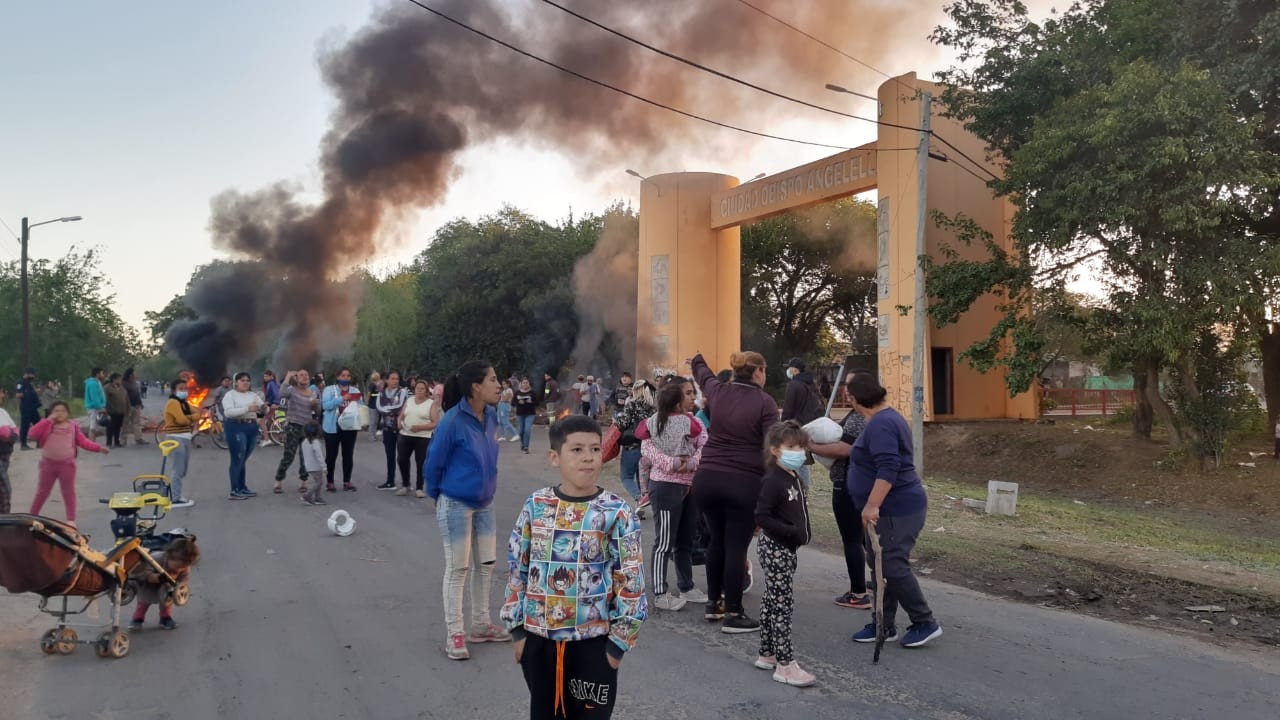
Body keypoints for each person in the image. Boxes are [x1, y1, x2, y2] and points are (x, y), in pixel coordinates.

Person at [501, 415, 648, 719]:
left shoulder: (616, 512)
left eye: (595, 449)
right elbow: (518, 568)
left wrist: (616, 646)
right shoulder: (536, 505)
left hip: (593, 647)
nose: (588, 458)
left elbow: (631, 580)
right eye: (577, 450)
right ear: (555, 457)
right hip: (539, 643)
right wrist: (517, 631)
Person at [846, 373, 942, 648]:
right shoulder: (881, 420)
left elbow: (889, 467)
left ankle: (924, 622)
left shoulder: (883, 424)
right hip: (889, 508)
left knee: (891, 565)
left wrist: (872, 504)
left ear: (854, 400)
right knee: (880, 565)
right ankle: (883, 625)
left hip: (896, 508)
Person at [423, 360, 507, 660]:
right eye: (494, 380)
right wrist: (437, 496)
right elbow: (434, 463)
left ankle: (481, 625)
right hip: (455, 502)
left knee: (485, 565)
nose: (500, 385)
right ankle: (455, 633)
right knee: (458, 569)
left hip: (485, 502)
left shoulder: (492, 416)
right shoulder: (452, 421)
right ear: (476, 386)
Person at [690, 351, 778, 633]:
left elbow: (702, 373)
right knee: (736, 546)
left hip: (706, 480)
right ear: (758, 372)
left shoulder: (717, 390)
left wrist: (697, 358)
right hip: (743, 482)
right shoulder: (765, 402)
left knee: (717, 540)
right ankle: (734, 613)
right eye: (765, 370)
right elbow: (772, 443)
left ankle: (714, 604)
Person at [753, 420, 817, 687]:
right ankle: (785, 663)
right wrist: (790, 531)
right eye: (791, 446)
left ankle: (767, 653)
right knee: (782, 606)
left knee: (772, 601)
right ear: (776, 449)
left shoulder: (794, 476)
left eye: (801, 446)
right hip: (776, 548)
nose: (798, 452)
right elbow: (761, 516)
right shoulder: (772, 480)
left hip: (786, 549)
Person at [638, 381, 708, 611]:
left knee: (686, 539)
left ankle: (686, 586)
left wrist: (692, 463)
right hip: (665, 487)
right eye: (688, 393)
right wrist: (673, 464)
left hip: (691, 487)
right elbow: (647, 449)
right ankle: (660, 592)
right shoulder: (653, 422)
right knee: (664, 542)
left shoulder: (695, 421)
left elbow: (704, 445)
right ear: (675, 400)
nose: (692, 397)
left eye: (693, 393)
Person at [808, 371, 873, 609]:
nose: (846, 389)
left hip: (848, 484)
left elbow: (844, 450)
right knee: (867, 537)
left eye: (849, 385)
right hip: (865, 483)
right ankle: (879, 579)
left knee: (852, 539)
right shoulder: (874, 415)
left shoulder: (859, 417)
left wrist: (811, 445)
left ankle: (857, 593)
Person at [27, 401, 110, 526]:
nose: (59, 413)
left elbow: (83, 442)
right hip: (47, 465)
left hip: (67, 465)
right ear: (50, 413)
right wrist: (48, 420)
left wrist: (98, 448)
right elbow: (32, 433)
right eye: (56, 411)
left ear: (68, 413)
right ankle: (32, 516)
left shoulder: (73, 426)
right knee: (42, 491)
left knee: (68, 492)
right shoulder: (47, 425)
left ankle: (71, 520)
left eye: (62, 411)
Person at [128, 535, 200, 631]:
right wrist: (155, 577)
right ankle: (137, 619)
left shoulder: (185, 568)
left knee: (166, 603)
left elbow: (183, 581)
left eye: (183, 566)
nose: (180, 569)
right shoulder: (155, 559)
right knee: (143, 603)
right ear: (168, 556)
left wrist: (178, 588)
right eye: (177, 566)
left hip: (167, 588)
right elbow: (144, 572)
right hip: (148, 586)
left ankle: (165, 618)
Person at [274, 370, 320, 494]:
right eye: (301, 375)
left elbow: (318, 411)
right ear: (296, 378)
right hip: (293, 426)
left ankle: (303, 482)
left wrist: (315, 405)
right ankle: (278, 481)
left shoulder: (313, 392)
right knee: (288, 456)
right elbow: (281, 394)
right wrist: (288, 376)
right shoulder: (291, 390)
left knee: (305, 456)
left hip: (307, 428)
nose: (304, 377)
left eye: (306, 375)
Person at [780, 358, 823, 488]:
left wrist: (783, 425)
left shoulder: (794, 385)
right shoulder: (811, 384)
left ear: (795, 370)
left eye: (790, 368)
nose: (788, 370)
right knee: (803, 460)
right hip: (809, 425)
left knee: (791, 458)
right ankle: (805, 488)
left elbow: (788, 407)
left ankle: (796, 487)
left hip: (795, 425)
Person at [613, 380, 655, 512]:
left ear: (637, 391)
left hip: (632, 446)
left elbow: (623, 423)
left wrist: (616, 421)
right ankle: (640, 509)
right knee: (641, 480)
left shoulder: (632, 405)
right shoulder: (653, 408)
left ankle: (639, 498)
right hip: (647, 448)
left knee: (626, 477)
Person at [222, 372, 264, 500]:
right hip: (236, 427)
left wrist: (262, 412)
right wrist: (246, 409)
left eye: (247, 380)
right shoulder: (230, 395)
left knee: (243, 459)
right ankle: (234, 490)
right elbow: (228, 412)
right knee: (237, 458)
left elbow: (260, 407)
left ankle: (242, 487)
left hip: (251, 427)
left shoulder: (253, 395)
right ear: (236, 382)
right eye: (242, 380)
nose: (245, 382)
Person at [321, 368, 363, 492]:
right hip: (332, 427)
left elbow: (360, 406)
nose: (346, 378)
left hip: (350, 427)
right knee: (331, 456)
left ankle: (347, 481)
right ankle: (330, 482)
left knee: (348, 455)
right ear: (338, 377)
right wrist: (342, 398)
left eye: (348, 376)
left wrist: (356, 402)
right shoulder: (329, 390)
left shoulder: (355, 390)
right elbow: (326, 406)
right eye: (343, 375)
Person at [162, 379, 201, 508]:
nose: (184, 391)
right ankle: (176, 498)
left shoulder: (184, 403)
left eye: (185, 388)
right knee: (178, 469)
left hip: (185, 437)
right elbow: (181, 420)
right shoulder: (173, 402)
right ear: (174, 390)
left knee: (183, 469)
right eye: (181, 388)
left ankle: (177, 495)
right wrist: (192, 418)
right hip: (175, 437)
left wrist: (192, 417)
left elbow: (198, 412)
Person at [397, 379, 438, 498]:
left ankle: (419, 487)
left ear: (426, 391)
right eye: (417, 388)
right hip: (406, 434)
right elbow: (401, 415)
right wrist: (399, 421)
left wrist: (420, 427)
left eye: (422, 389)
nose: (419, 391)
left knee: (421, 462)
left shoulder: (431, 403)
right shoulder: (409, 400)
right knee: (402, 459)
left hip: (423, 436)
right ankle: (405, 484)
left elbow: (436, 422)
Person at [376, 371, 408, 492]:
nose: (395, 381)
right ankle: (390, 481)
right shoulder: (381, 393)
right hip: (387, 429)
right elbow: (378, 407)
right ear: (387, 380)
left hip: (401, 428)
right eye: (392, 378)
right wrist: (389, 410)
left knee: (403, 457)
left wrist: (386, 409)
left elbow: (400, 406)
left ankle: (406, 482)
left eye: (397, 378)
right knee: (390, 455)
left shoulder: (402, 392)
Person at [300, 423, 328, 506]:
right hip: (316, 466)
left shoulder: (304, 442)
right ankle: (307, 495)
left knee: (318, 481)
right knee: (319, 482)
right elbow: (319, 456)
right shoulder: (315, 442)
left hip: (308, 465)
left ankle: (318, 497)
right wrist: (324, 467)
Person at [15, 368, 41, 450]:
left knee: (39, 424)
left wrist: (34, 392)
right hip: (25, 407)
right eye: (32, 375)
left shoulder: (29, 383)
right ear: (27, 374)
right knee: (25, 425)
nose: (33, 376)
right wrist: (30, 392)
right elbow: (18, 395)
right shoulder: (20, 382)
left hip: (33, 407)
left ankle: (40, 442)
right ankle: (23, 444)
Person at [122, 367, 149, 446]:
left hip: (137, 406)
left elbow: (137, 395)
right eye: (134, 373)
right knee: (125, 423)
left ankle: (138, 438)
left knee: (137, 423)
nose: (136, 375)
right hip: (128, 406)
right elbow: (123, 396)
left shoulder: (134, 383)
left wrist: (140, 404)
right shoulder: (124, 383)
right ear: (130, 375)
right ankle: (123, 440)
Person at [0, 388, 16, 513]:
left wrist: (8, 437)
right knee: (5, 490)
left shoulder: (3, 412)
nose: (2, 395)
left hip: (5, 455)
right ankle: (5, 519)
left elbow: (15, 431)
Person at [512, 378, 538, 454]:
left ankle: (526, 447)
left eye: (527, 383)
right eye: (524, 383)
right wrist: (518, 402)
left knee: (527, 430)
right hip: (520, 414)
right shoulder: (517, 392)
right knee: (521, 431)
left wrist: (531, 401)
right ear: (521, 384)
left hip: (530, 414)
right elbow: (513, 403)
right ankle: (522, 444)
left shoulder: (532, 393)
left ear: (529, 384)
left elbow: (537, 403)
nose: (525, 384)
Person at [104, 373, 129, 449]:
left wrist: (128, 407)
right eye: (119, 379)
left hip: (121, 411)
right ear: (114, 379)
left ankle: (117, 442)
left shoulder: (122, 388)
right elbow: (104, 399)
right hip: (111, 411)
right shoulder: (107, 388)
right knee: (110, 427)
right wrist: (104, 408)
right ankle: (109, 443)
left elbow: (126, 398)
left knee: (118, 427)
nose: (120, 381)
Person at [259, 370, 282, 447]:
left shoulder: (271, 384)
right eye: (264, 376)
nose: (264, 378)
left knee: (261, 420)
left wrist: (275, 403)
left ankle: (266, 439)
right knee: (267, 421)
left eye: (266, 376)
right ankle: (265, 437)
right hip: (270, 404)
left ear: (271, 376)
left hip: (272, 405)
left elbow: (276, 394)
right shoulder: (269, 384)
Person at [83, 367, 106, 437]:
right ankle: (92, 445)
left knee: (94, 428)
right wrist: (101, 407)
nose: (103, 375)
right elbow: (95, 398)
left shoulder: (96, 383)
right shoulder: (93, 384)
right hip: (94, 408)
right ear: (97, 374)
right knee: (92, 428)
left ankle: (93, 444)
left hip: (95, 408)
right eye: (102, 373)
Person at [367, 371, 383, 441]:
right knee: (372, 421)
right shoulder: (372, 385)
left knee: (376, 421)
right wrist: (367, 401)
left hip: (378, 405)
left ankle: (374, 435)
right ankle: (371, 436)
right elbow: (369, 394)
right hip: (372, 405)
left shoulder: (378, 385)